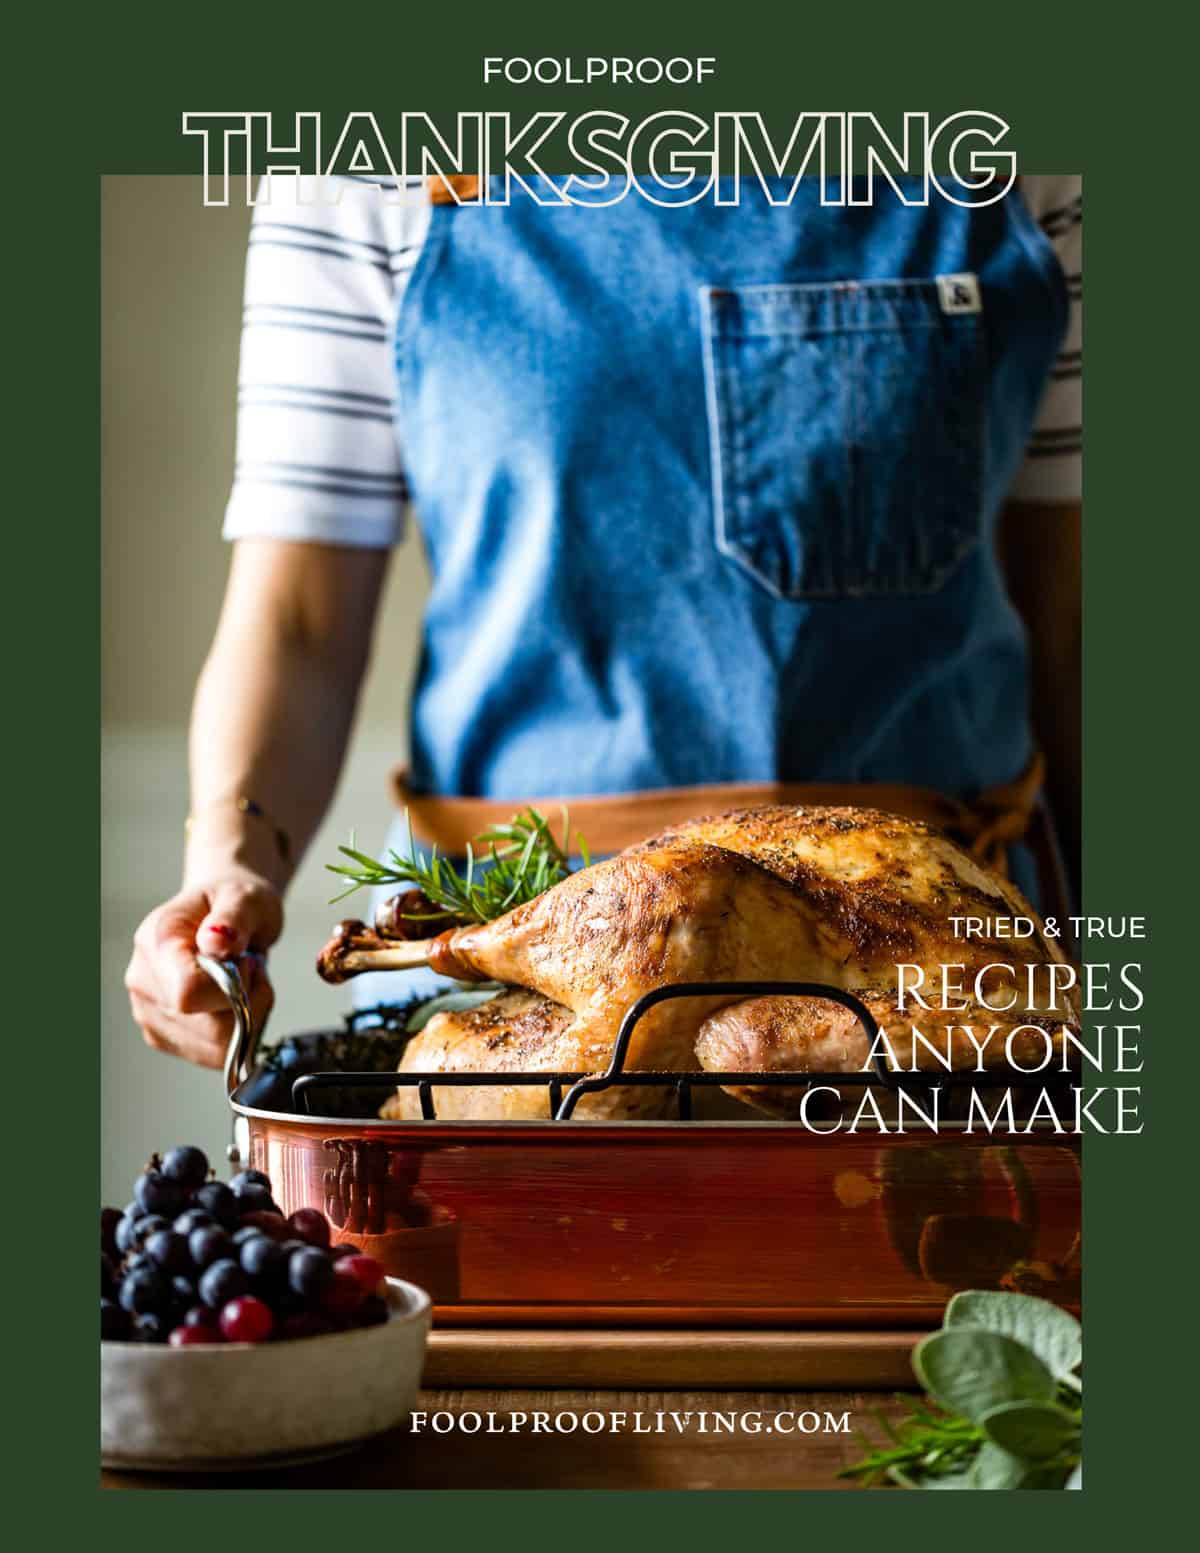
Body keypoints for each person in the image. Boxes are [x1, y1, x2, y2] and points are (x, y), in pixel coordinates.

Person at [125, 171, 1082, 1068]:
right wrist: (228, 865)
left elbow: (1076, 618)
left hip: (932, 973)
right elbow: (298, 623)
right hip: (511, 991)